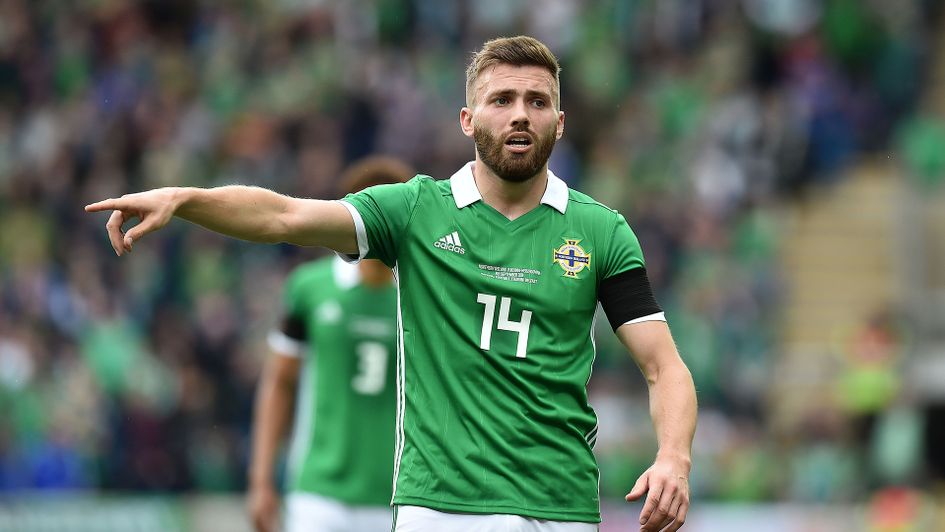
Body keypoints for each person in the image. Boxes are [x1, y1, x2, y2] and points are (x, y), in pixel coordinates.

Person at [87, 35, 697, 532]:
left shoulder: (601, 231)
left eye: (537, 102)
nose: (519, 113)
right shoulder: (415, 210)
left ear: (559, 123)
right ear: (467, 120)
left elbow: (663, 367)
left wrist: (673, 457)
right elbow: (285, 216)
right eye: (502, 99)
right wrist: (185, 198)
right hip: (439, 508)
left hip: (559, 507)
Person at [246, 157, 414, 532]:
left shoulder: (422, 295)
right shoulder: (310, 288)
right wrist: (261, 478)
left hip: (400, 495)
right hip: (319, 493)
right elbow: (279, 381)